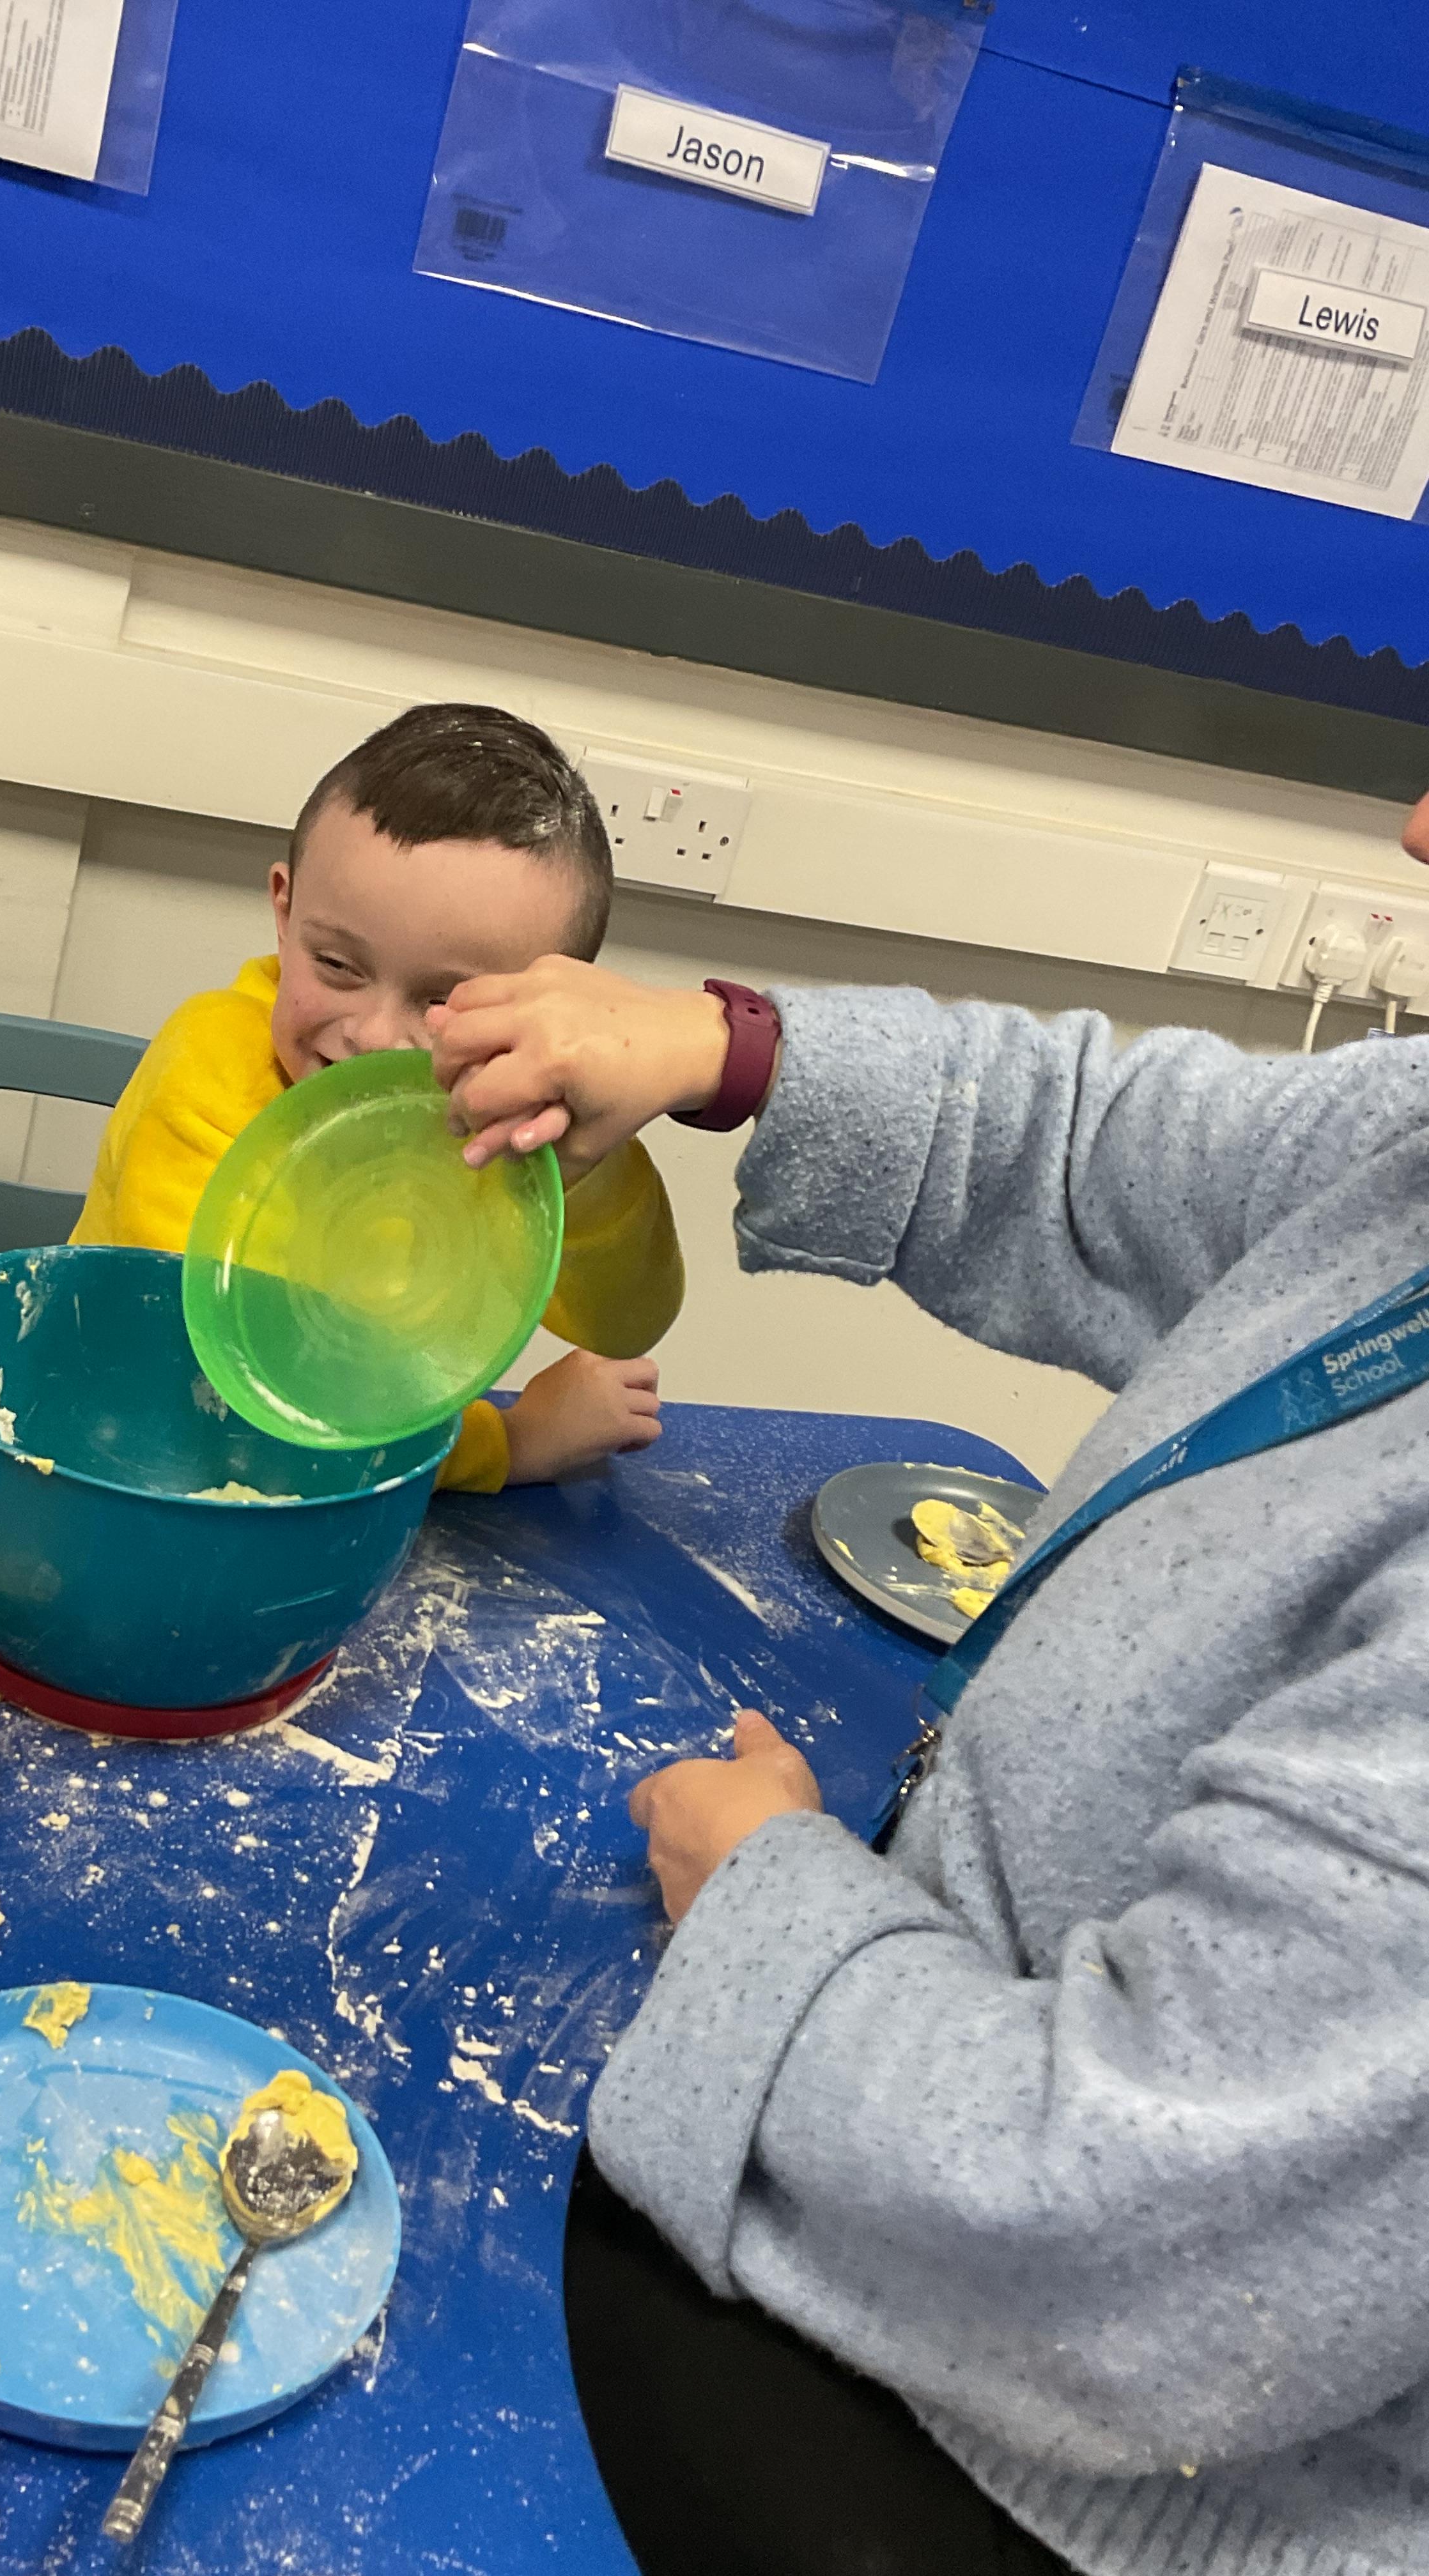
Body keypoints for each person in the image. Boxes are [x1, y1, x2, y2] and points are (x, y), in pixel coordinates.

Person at [429, 786, 1429, 2576]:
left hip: (1063, 2478)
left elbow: (1135, 2241)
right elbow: (1108, 1148)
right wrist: (721, 1051)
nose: (1420, 830)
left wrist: (768, 1911)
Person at [73, 703, 679, 1489]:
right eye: (337, 966)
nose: (374, 1035)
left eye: (445, 1000)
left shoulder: (502, 1108)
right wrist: (512, 1442)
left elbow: (624, 1324)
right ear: (285, 912)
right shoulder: (212, 1072)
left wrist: (585, 1172)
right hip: (136, 1454)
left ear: (553, 1007)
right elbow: (249, 1398)